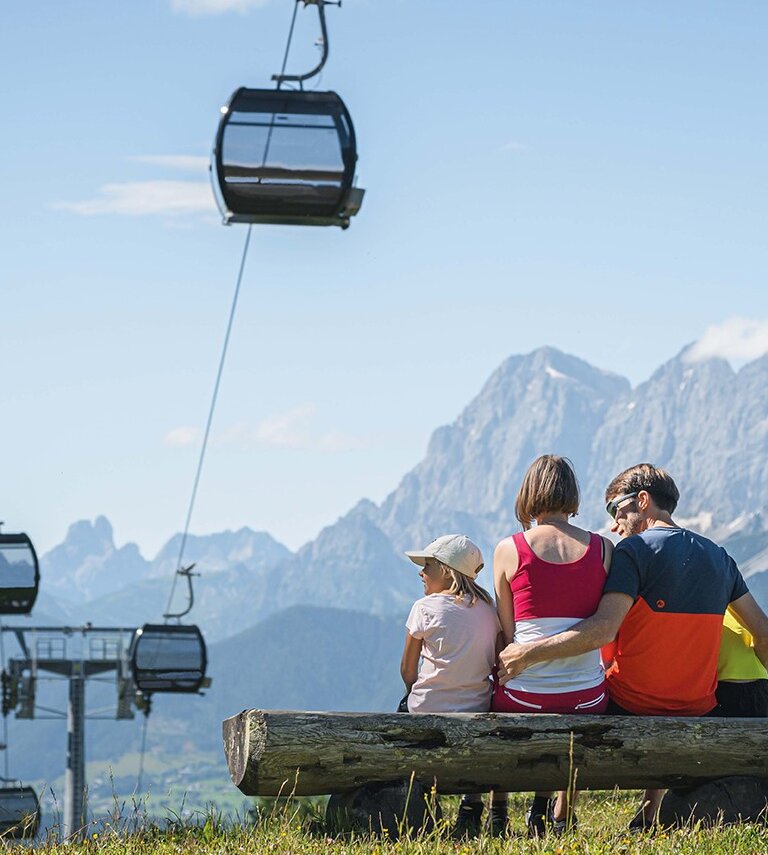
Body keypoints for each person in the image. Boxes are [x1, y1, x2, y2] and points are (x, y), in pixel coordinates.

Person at [497, 462, 768, 829]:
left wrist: (528, 652)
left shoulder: (633, 551)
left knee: (588, 688)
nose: (613, 524)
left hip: (632, 703)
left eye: (616, 510)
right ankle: (647, 812)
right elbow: (763, 633)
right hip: (697, 706)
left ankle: (561, 815)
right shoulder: (720, 557)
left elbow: (603, 630)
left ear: (643, 501)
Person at [491, 455, 612, 836]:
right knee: (571, 694)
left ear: (528, 494)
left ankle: (497, 812)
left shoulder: (509, 549)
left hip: (524, 698)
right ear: (572, 495)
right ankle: (545, 810)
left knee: (499, 689)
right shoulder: (604, 549)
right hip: (588, 699)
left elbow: (507, 635)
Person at [400, 533, 501, 837]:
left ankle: (423, 804)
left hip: (428, 710)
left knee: (403, 717)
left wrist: (411, 693)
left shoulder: (424, 608)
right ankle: (471, 805)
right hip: (478, 709)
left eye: (427, 565)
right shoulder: (489, 610)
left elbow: (407, 670)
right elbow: (495, 662)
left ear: (445, 570)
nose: (421, 572)